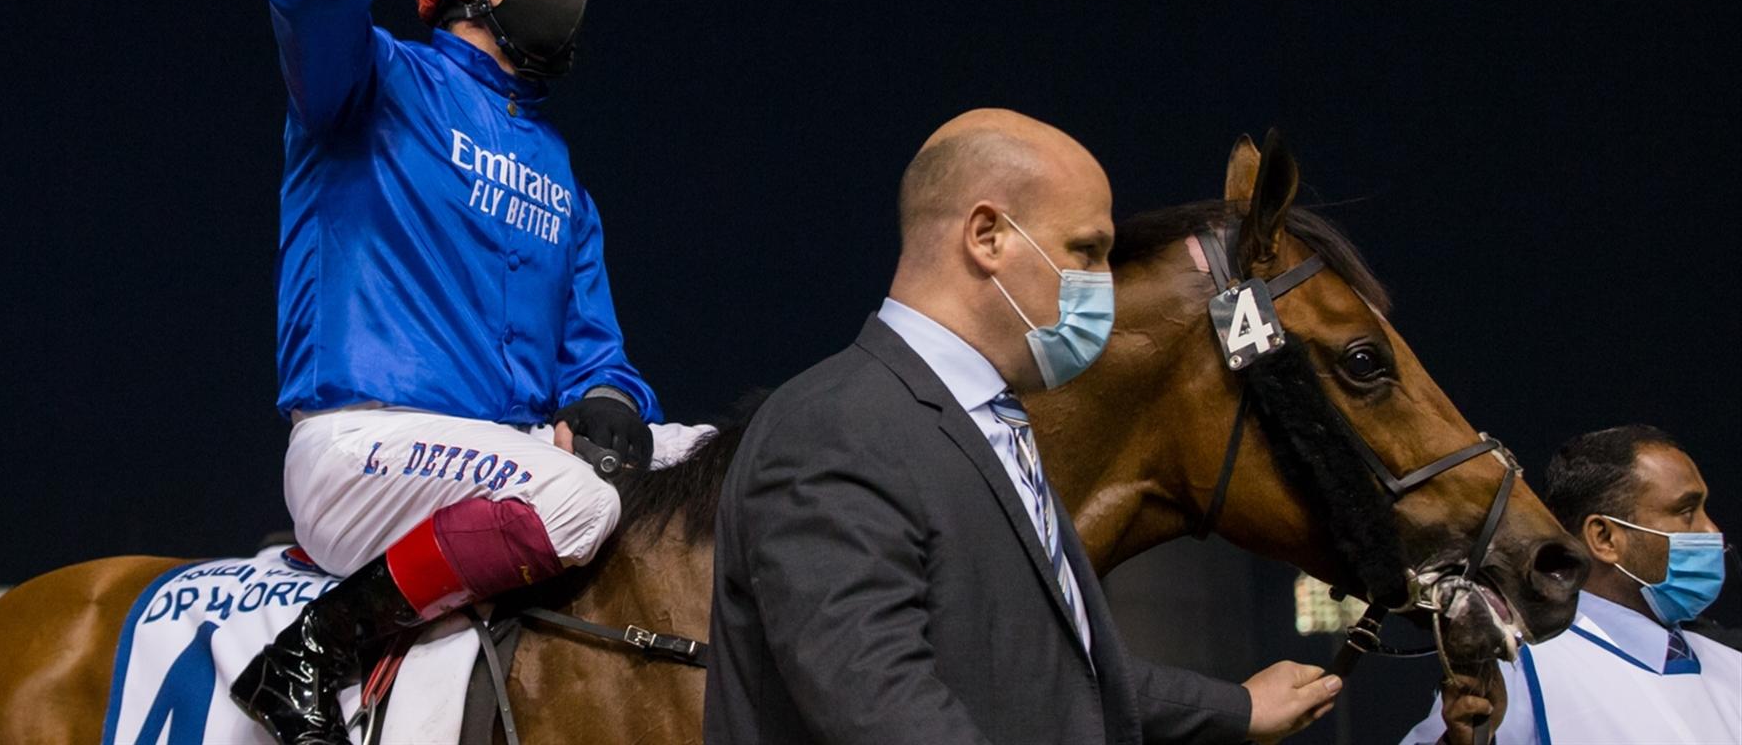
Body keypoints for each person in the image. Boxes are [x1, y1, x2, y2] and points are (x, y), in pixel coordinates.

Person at [229, 0, 671, 744]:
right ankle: (310, 655)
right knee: (577, 504)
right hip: (360, 450)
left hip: (488, 467)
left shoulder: (560, 172)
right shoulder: (372, 80)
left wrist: (613, 403)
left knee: (715, 462)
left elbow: (597, 356)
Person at [704, 108, 1343, 745]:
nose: (1105, 287)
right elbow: (885, 710)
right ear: (987, 236)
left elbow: (1046, 667)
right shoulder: (834, 429)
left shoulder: (990, 423)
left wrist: (1237, 710)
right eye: (1086, 251)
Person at [1399, 425, 1741, 744]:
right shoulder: (1520, 668)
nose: (1711, 530)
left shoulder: (1730, 661)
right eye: (1687, 511)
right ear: (1604, 537)